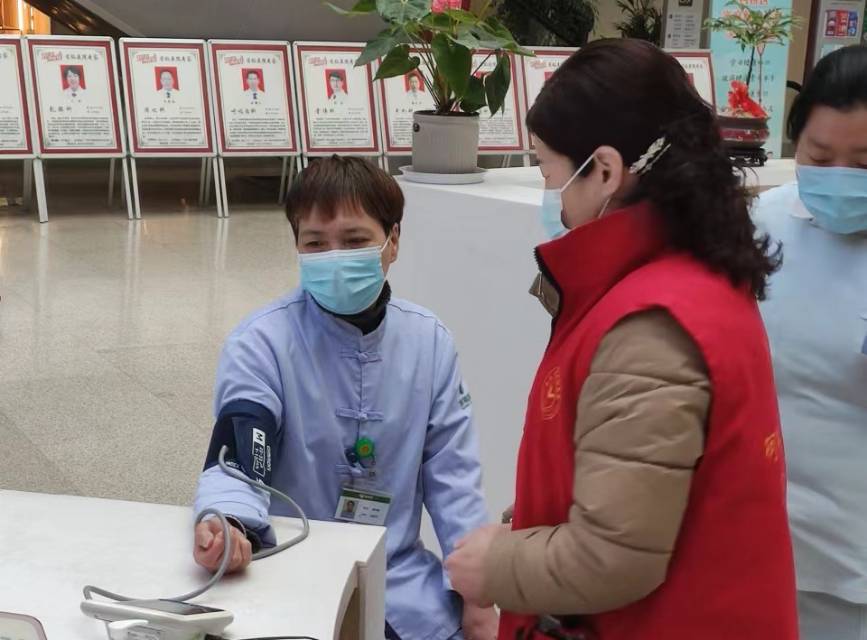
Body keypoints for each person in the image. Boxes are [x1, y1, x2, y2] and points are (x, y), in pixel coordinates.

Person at [445, 39, 798, 640]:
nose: (549, 192)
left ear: (605, 170)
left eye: (549, 170)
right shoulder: (696, 270)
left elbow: (614, 557)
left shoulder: (651, 326)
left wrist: (493, 566)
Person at [192, 156, 497, 640]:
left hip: (399, 580)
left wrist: (479, 594)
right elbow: (240, 456)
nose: (334, 256)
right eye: (315, 243)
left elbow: (454, 479)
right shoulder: (261, 343)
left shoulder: (429, 342)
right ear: (296, 245)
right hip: (289, 571)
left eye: (355, 241)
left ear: (393, 241)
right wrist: (228, 521)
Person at [752, 45, 867, 640]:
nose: (841, 178)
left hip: (856, 566)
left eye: (865, 162)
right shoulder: (760, 226)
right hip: (761, 541)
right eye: (821, 156)